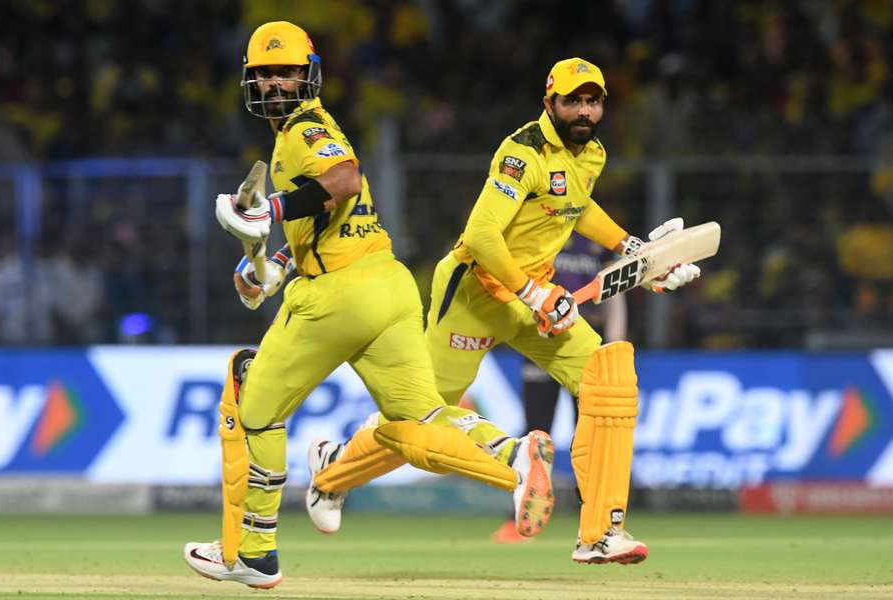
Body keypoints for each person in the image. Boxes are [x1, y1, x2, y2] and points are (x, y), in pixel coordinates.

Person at [182, 22, 555, 590]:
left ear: (308, 76)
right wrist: (273, 265)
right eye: (266, 73)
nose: (277, 83)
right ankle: (512, 455)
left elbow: (345, 182)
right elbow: (333, 217)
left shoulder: (305, 130)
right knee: (420, 415)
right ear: (251, 80)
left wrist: (270, 212)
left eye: (286, 72)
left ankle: (254, 552)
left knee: (254, 407)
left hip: (338, 297)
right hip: (388, 286)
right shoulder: (305, 133)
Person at [308, 57, 702, 565]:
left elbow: (577, 206)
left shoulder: (593, 154)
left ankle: (600, 532)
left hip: (533, 296)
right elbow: (481, 236)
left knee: (610, 381)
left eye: (593, 101)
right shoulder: (522, 153)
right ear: (549, 103)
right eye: (573, 101)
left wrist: (631, 249)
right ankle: (330, 473)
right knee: (420, 416)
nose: (584, 111)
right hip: (474, 294)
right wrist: (535, 296)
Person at [491, 238, 627, 544]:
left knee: (592, 436)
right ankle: (518, 519)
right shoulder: (541, 232)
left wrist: (614, 341)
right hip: (541, 342)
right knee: (536, 433)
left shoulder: (594, 242)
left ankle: (597, 522)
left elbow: (613, 289)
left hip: (585, 343)